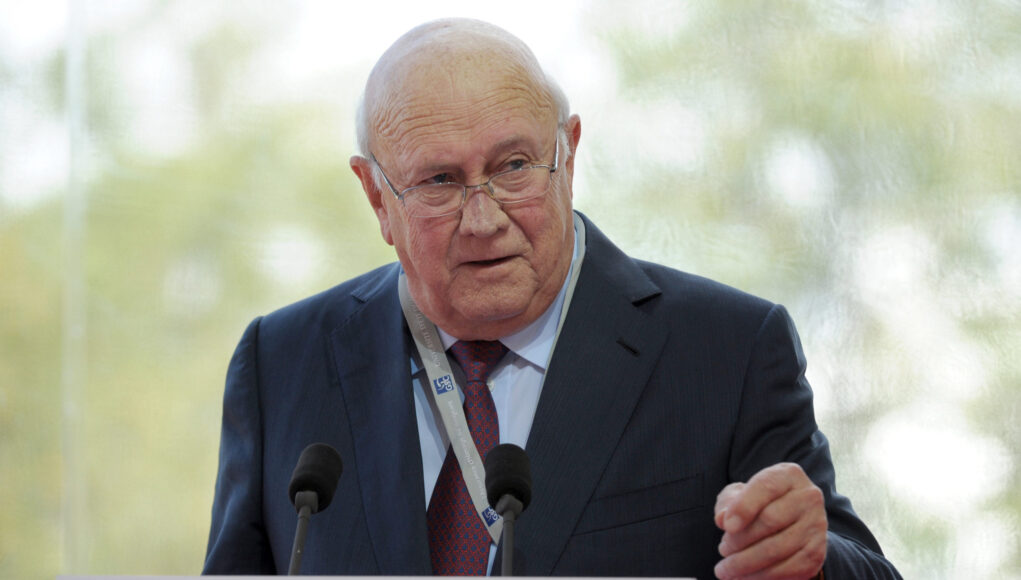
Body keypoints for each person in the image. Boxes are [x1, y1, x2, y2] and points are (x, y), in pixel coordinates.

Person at [203, 18, 901, 579]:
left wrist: (811, 561)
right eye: (440, 181)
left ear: (568, 155)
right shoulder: (282, 363)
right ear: (376, 196)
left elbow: (862, 567)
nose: (483, 219)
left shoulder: (727, 350)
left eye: (514, 166)